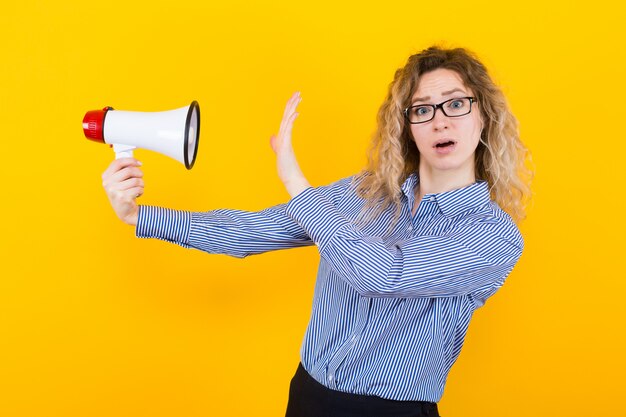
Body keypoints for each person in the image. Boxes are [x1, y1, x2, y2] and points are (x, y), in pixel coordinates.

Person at [101, 46, 532, 417]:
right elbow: (253, 230)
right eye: (422, 109)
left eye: (456, 103)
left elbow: (384, 274)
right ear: (407, 127)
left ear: (484, 116)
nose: (440, 121)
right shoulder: (362, 194)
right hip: (307, 397)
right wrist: (138, 217)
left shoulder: (493, 236)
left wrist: (297, 185)